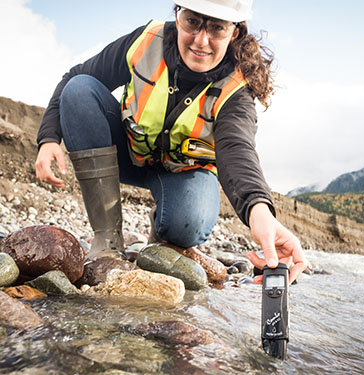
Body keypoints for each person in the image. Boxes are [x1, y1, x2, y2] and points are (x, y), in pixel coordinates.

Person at [35, 0, 307, 283]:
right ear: (178, 16)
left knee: (190, 222)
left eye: (216, 28)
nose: (201, 40)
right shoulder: (145, 41)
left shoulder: (237, 91)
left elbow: (237, 152)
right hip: (127, 153)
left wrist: (259, 211)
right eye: (192, 22)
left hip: (184, 173)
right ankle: (107, 241)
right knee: (80, 89)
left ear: (234, 32)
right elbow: (75, 77)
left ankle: (162, 237)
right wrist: (49, 137)